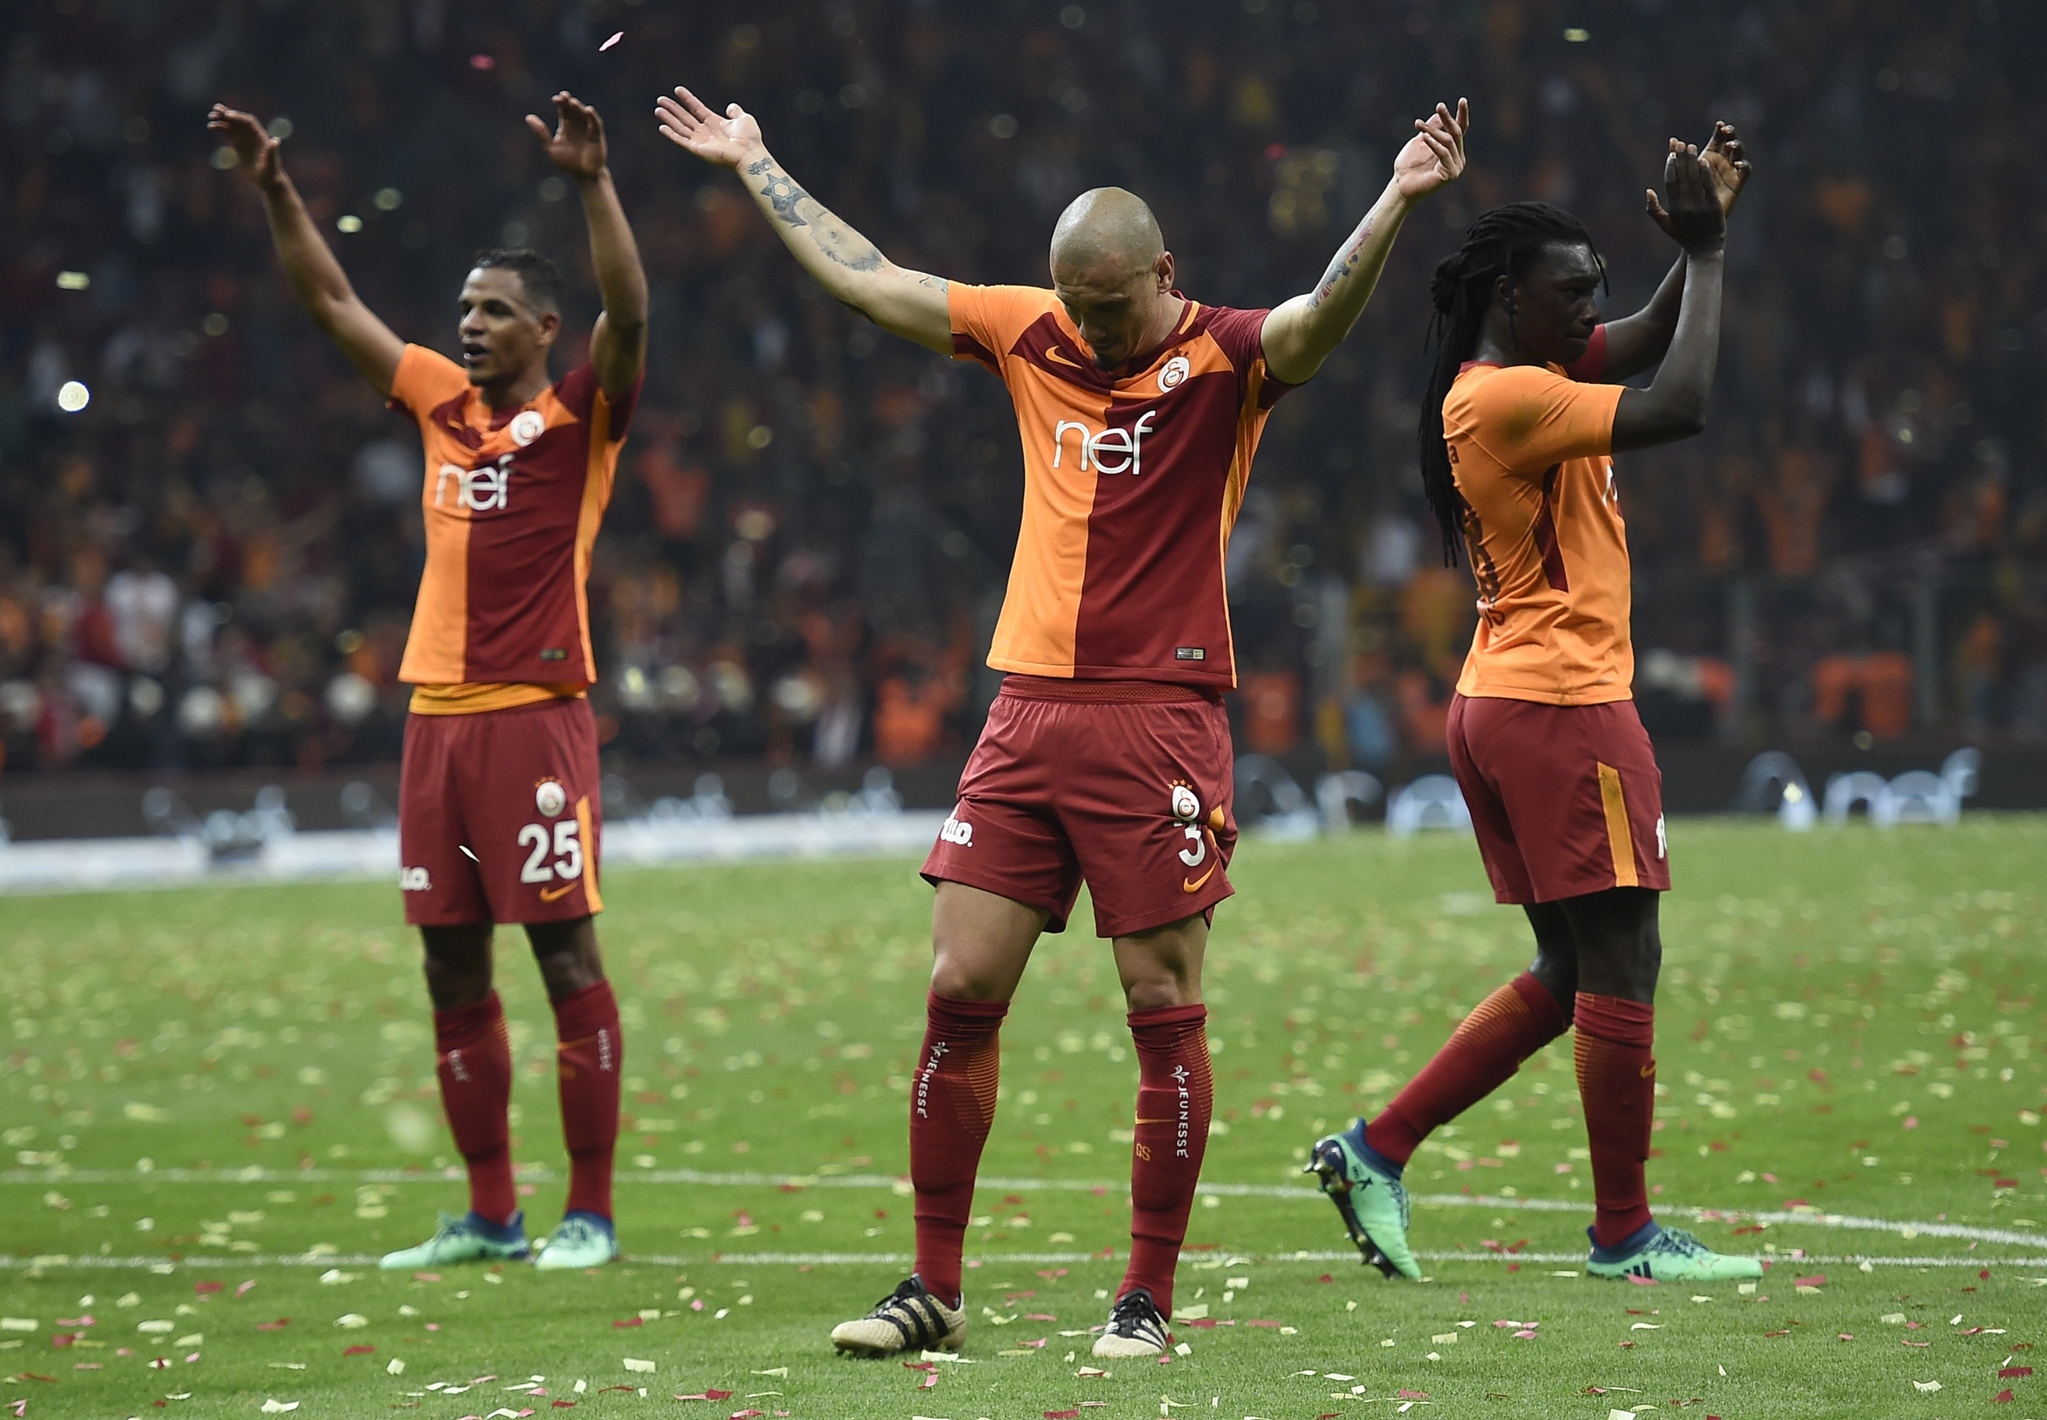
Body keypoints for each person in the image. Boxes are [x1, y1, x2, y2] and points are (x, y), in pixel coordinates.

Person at [655, 83, 1468, 1357]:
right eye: (1073, 304)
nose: (1087, 327)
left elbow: (1319, 315)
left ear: (1163, 273)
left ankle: (1145, 1296)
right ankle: (932, 1286)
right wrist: (757, 160)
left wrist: (1398, 197)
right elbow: (870, 280)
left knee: (1160, 1001)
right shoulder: (1028, 330)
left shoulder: (1227, 357)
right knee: (958, 984)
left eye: (1109, 304)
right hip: (1026, 710)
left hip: (1160, 718)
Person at [1305, 125, 1763, 1284]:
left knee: (1571, 968)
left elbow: (1646, 336)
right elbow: (1680, 401)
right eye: (1570, 292)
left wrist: (1699, 240)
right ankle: (1623, 1234)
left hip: (1507, 697)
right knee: (1624, 954)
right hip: (1561, 703)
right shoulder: (1511, 397)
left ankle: (1375, 1148)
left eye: (1594, 286)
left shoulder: (1515, 375)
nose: (1589, 309)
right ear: (1510, 297)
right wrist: (1708, 257)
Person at [207, 93, 648, 1272]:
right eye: (462, 309)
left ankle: (590, 1214)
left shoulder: (580, 417)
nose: (469, 324)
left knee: (564, 961)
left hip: (535, 723)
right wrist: (275, 188)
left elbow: (631, 311)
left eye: (493, 310)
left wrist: (593, 184)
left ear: (544, 326)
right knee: (449, 964)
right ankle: (492, 1214)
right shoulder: (437, 405)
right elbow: (330, 301)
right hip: (434, 726)